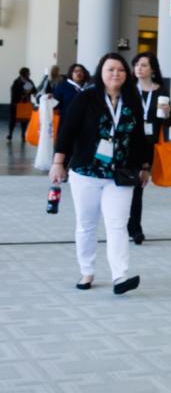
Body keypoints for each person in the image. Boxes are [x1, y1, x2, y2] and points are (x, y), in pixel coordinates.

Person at [49, 53, 152, 293]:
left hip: (121, 174)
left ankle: (120, 276)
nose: (116, 74)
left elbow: (141, 137)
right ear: (101, 73)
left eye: (120, 70)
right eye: (110, 69)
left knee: (117, 225)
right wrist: (58, 162)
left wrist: (145, 166)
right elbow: (67, 131)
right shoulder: (86, 98)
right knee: (86, 224)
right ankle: (87, 271)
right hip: (86, 172)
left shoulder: (132, 99)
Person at [126, 52, 171, 245]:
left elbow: (167, 122)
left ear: (152, 69)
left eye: (143, 65)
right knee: (124, 186)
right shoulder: (128, 90)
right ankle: (125, 225)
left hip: (147, 145)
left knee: (138, 187)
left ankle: (135, 228)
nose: (139, 68)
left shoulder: (160, 91)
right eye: (136, 65)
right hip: (128, 143)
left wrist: (167, 114)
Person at [8, 66, 35, 140]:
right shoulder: (16, 82)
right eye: (28, 73)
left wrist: (31, 91)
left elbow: (34, 90)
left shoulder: (29, 81)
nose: (29, 74)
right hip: (16, 104)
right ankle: (10, 134)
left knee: (24, 120)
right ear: (24, 74)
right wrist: (23, 92)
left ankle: (23, 134)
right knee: (13, 120)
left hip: (25, 104)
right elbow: (14, 93)